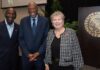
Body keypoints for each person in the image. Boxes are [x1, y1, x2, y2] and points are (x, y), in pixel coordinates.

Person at [19, 2, 49, 70]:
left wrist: (38, 53)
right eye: (30, 9)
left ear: (37, 8)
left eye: (34, 8)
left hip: (40, 56)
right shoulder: (23, 21)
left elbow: (46, 38)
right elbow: (21, 39)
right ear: (28, 10)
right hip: (26, 57)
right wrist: (27, 54)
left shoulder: (45, 21)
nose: (32, 10)